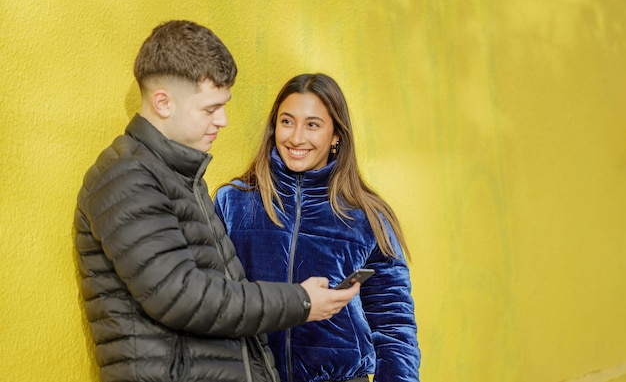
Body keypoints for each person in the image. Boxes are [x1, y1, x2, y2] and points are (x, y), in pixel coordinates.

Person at [74, 21, 360, 382]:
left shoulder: (178, 176)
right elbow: (182, 297)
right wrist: (301, 302)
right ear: (163, 102)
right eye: (210, 109)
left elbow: (225, 296)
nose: (223, 120)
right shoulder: (127, 178)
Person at [214, 73, 420, 382]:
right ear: (274, 128)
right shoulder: (233, 202)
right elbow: (209, 300)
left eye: (312, 125)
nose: (296, 138)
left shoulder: (367, 216)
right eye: (287, 121)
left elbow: (393, 323)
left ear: (336, 135)